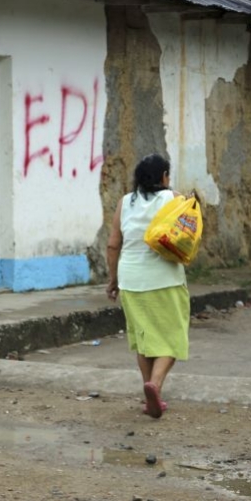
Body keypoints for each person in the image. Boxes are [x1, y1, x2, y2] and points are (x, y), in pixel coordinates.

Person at [105, 153, 190, 419]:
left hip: (131, 279)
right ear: (164, 176)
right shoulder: (173, 198)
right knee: (172, 336)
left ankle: (149, 395)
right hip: (164, 278)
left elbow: (113, 244)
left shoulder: (124, 202)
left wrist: (113, 280)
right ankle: (155, 385)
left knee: (143, 340)